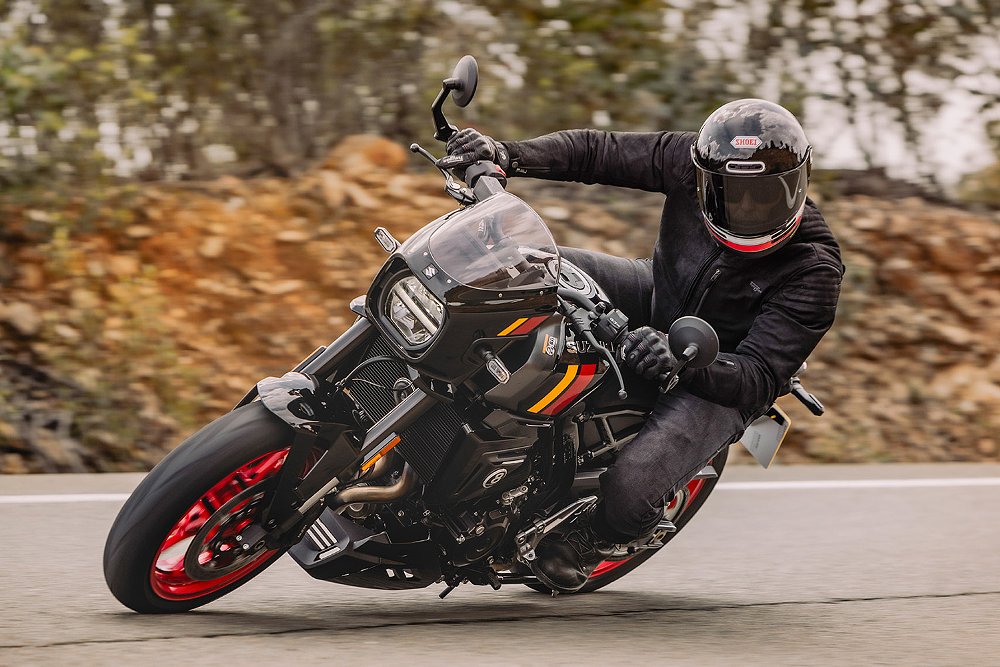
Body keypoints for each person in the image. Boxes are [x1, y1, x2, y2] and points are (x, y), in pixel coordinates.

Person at [443, 99, 844, 592]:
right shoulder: (690, 159)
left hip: (719, 372)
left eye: (761, 198)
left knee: (630, 492)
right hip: (658, 293)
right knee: (522, 266)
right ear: (703, 177)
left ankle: (598, 536)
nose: (745, 210)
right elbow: (597, 152)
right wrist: (504, 153)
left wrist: (685, 364)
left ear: (797, 186)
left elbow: (759, 374)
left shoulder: (814, 269)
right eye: (729, 193)